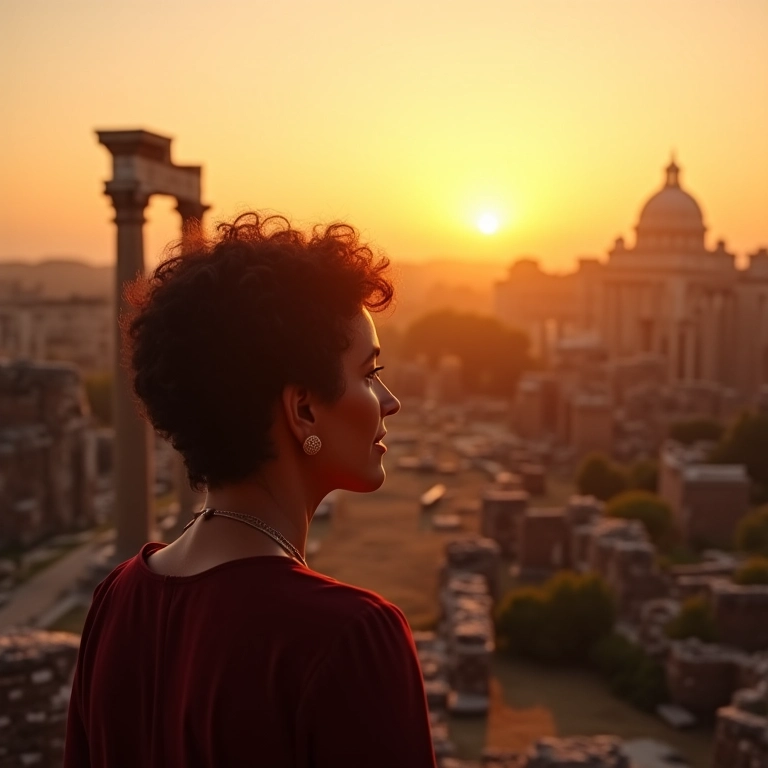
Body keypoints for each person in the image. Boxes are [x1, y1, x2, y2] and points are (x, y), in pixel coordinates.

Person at [64, 213, 437, 767]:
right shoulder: (351, 636)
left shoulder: (117, 600)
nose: (389, 401)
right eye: (368, 373)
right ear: (303, 409)